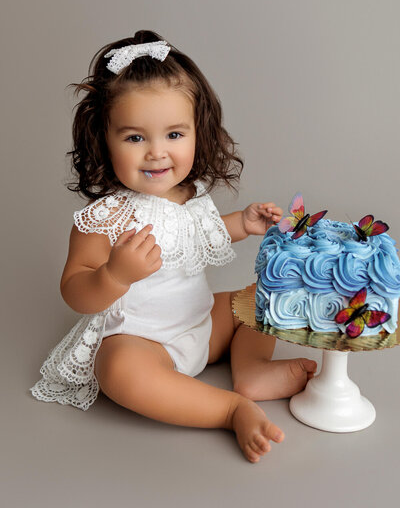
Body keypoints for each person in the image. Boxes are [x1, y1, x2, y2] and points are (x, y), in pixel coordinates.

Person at [30, 30, 317, 463]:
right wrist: (113, 276)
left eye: (174, 135)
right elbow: (74, 288)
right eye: (134, 138)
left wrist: (243, 223)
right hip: (142, 342)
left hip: (201, 323)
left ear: (197, 131)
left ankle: (252, 374)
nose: (156, 153)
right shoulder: (106, 216)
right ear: (103, 139)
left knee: (261, 296)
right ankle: (229, 408)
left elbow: (200, 233)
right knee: (119, 371)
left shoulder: (190, 195)